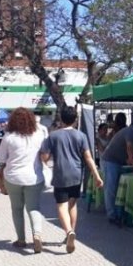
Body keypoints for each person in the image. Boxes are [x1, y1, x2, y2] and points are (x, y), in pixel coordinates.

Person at [40, 106, 103, 254]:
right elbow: (88, 158)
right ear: (75, 120)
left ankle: (68, 232)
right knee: (72, 205)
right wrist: (97, 176)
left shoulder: (53, 136)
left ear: (61, 118)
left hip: (60, 174)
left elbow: (45, 157)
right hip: (76, 174)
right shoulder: (81, 136)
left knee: (61, 206)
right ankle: (72, 232)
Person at [0, 108, 46, 253]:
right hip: (34, 177)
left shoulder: (9, 137)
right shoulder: (39, 134)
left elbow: (0, 158)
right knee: (34, 208)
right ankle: (37, 234)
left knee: (17, 209)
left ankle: (21, 239)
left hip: (13, 178)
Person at [100, 122, 133, 225]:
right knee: (111, 188)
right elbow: (130, 149)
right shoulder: (131, 132)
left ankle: (119, 212)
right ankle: (112, 215)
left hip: (119, 161)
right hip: (110, 160)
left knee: (119, 187)